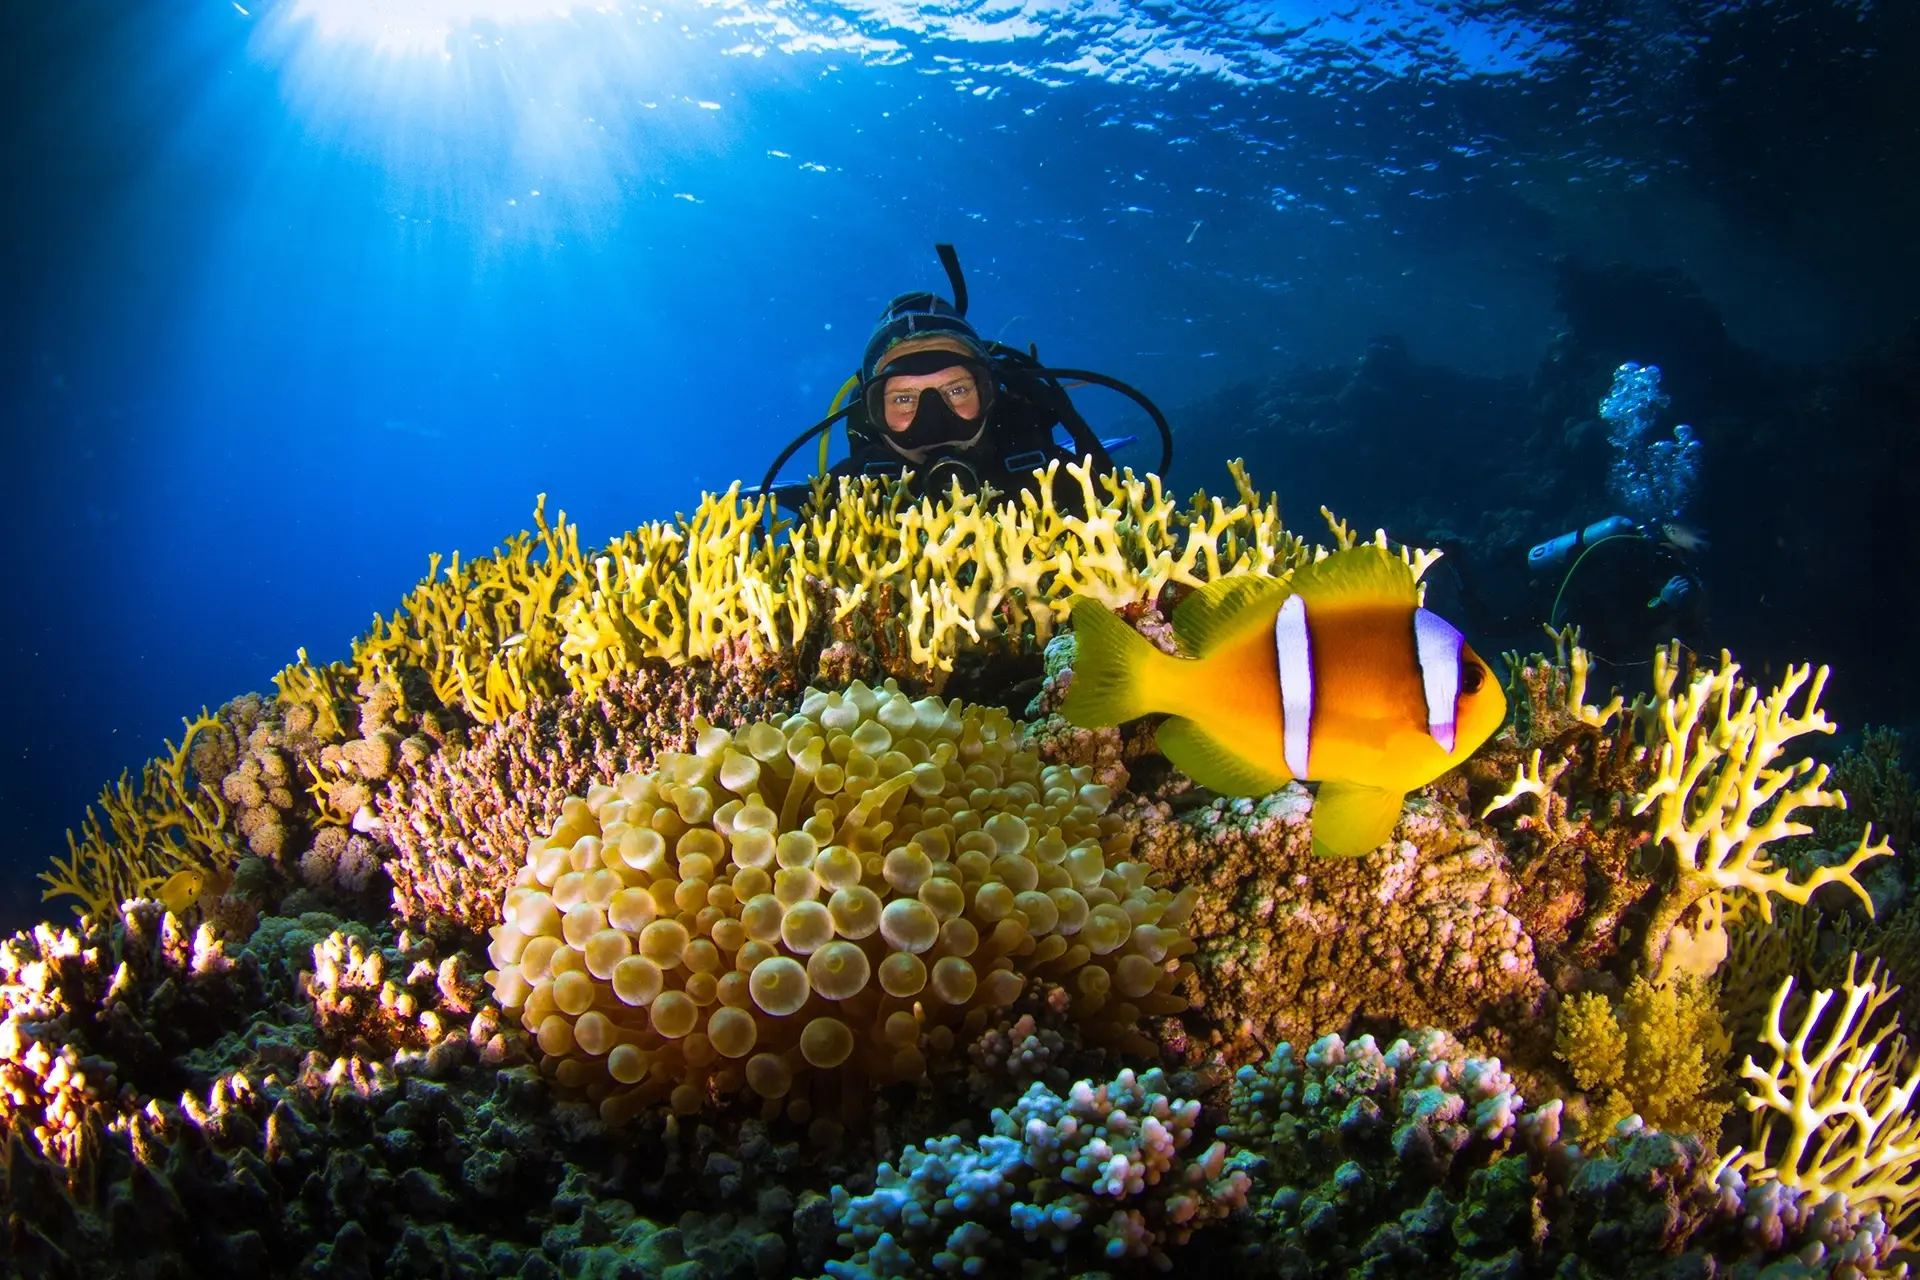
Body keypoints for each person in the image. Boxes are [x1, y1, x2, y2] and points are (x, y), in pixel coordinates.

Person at [759, 245, 1172, 509]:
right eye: (904, 398)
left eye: (956, 389)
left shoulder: (1054, 475)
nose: (934, 419)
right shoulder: (846, 499)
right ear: (872, 413)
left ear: (991, 391)